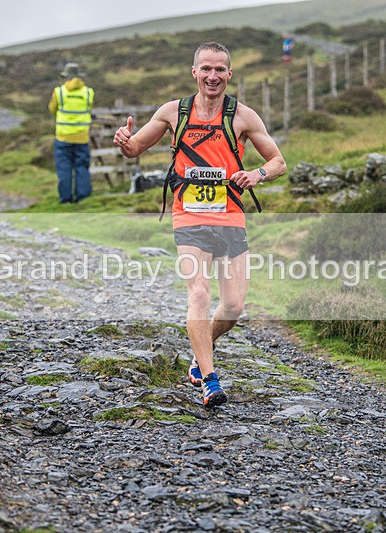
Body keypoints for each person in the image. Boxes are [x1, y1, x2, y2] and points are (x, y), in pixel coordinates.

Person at [113, 42, 286, 407]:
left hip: (229, 215)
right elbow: (134, 149)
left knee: (234, 306)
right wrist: (124, 141)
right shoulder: (172, 112)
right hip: (189, 214)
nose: (212, 76)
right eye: (205, 69)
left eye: (220, 69)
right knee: (199, 293)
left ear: (229, 74)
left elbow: (278, 162)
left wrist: (256, 174)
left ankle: (199, 352)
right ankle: (210, 380)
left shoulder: (243, 116)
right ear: (194, 72)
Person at [48, 62, 94, 203]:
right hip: (82, 137)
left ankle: (66, 199)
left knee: (64, 169)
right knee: (82, 167)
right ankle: (83, 198)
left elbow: (52, 109)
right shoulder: (88, 92)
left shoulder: (59, 92)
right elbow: (89, 107)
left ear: (66, 76)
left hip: (63, 137)